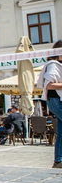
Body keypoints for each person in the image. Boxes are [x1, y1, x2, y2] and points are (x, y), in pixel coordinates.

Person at [37, 40, 62, 168]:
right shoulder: (53, 65)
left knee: (61, 132)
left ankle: (58, 160)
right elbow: (49, 85)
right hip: (56, 100)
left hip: (56, 101)